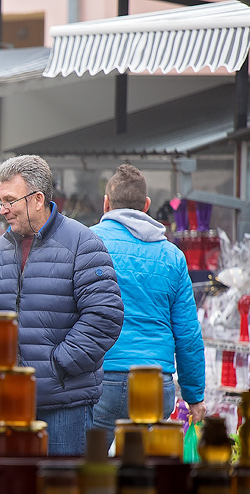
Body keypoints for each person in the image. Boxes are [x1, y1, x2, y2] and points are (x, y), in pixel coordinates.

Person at [0, 155, 124, 455]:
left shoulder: (82, 243)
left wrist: (56, 366)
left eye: (10, 200)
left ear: (38, 199)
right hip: (8, 409)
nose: (3, 210)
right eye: (0, 201)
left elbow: (105, 316)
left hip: (65, 408)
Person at [90, 164, 206, 447]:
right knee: (145, 472)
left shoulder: (86, 243)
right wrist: (195, 396)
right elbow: (188, 333)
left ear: (106, 204)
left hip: (100, 377)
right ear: (147, 206)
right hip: (156, 382)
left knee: (91, 470)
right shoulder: (172, 257)